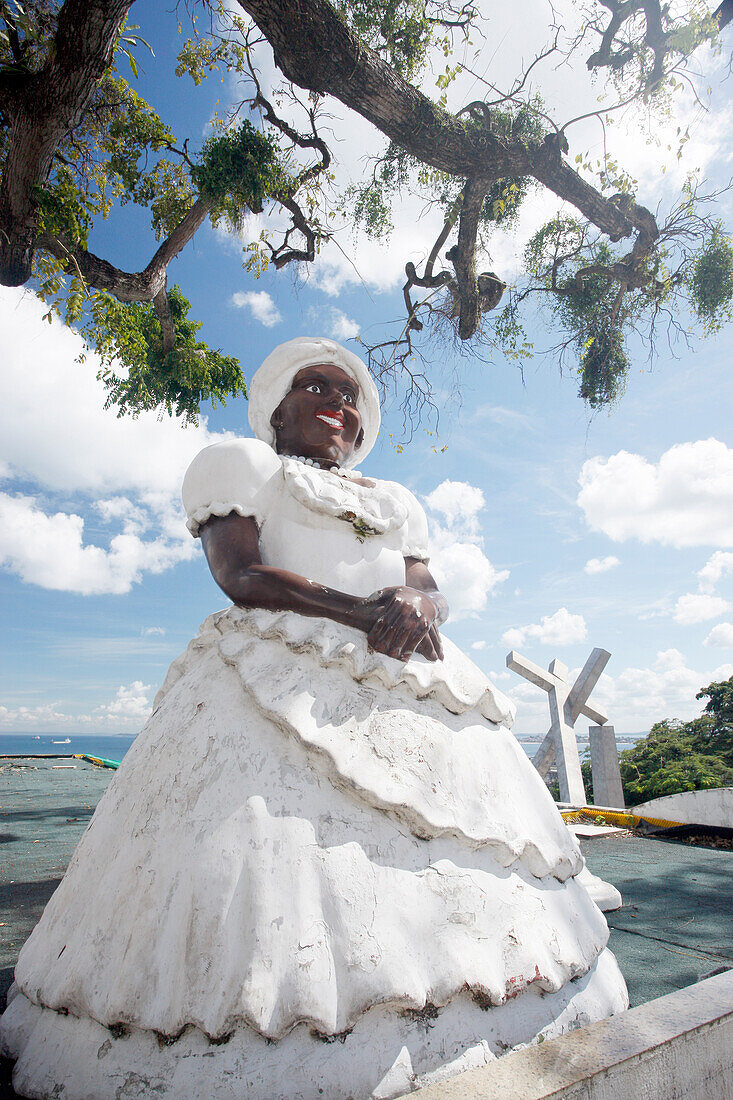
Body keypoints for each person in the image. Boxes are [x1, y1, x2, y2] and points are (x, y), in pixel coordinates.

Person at [0, 338, 628, 1100]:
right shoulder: (244, 466)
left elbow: (427, 586)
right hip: (268, 667)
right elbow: (241, 573)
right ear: (276, 409)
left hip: (408, 674)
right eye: (313, 385)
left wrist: (415, 606)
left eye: (349, 391)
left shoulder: (397, 501)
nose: (337, 400)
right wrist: (362, 612)